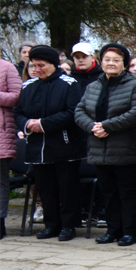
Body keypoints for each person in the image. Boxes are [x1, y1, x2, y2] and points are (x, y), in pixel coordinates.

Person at [74, 43, 136, 246]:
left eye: (116, 60)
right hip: (99, 149)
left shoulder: (133, 85)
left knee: (127, 192)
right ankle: (113, 230)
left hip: (126, 148)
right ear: (101, 62)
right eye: (107, 59)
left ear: (124, 64)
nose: (111, 63)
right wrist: (93, 127)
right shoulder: (94, 86)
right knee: (108, 192)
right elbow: (79, 111)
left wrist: (107, 126)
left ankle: (129, 232)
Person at [17, 45, 85, 241]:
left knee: (67, 187)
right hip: (38, 146)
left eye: (41, 65)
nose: (37, 69)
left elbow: (72, 112)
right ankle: (51, 225)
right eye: (33, 65)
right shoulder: (28, 86)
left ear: (53, 64)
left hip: (65, 145)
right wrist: (28, 124)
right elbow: (19, 113)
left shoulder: (69, 84)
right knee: (46, 188)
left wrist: (44, 124)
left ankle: (68, 226)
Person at [0, 53, 20, 238]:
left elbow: (16, 97)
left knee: (0, 181)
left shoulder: (7, 67)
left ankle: (0, 221)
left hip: (2, 134)